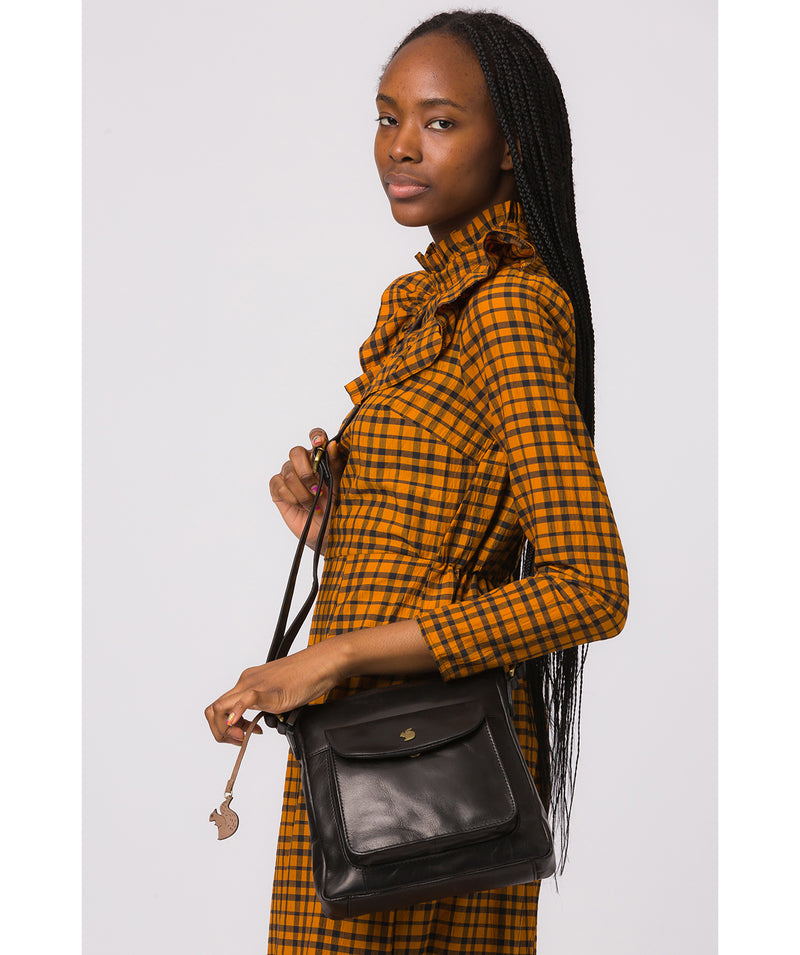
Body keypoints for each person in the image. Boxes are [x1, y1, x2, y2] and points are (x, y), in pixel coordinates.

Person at [205, 10, 628, 953]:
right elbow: (453, 540)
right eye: (387, 115)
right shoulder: (430, 301)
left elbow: (591, 586)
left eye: (439, 121)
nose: (400, 145)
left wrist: (333, 657)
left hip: (422, 747)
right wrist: (336, 528)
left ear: (510, 147)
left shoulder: (507, 307)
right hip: (377, 740)